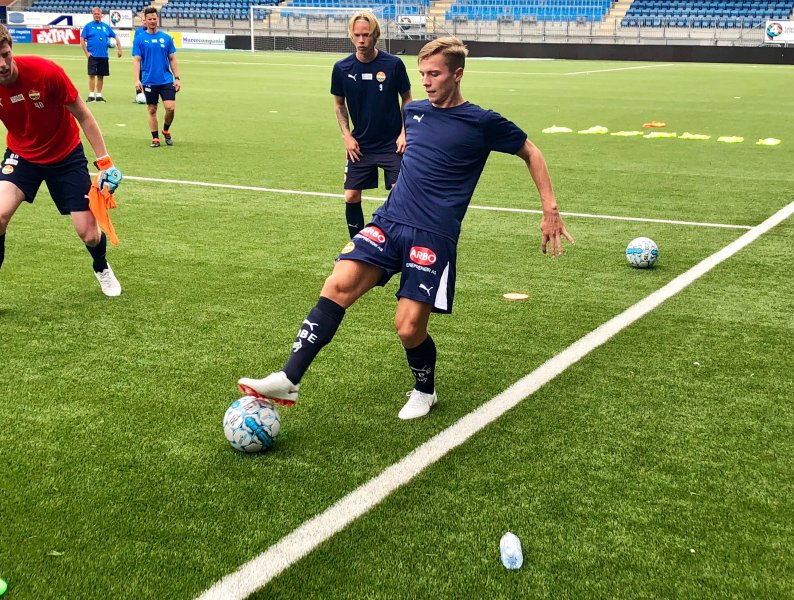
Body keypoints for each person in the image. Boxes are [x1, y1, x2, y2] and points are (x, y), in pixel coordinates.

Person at [238, 36, 574, 420]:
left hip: (433, 234)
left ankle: (425, 390)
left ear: (457, 74)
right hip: (389, 220)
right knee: (338, 283)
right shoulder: (413, 112)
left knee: (408, 327)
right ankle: (289, 378)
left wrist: (550, 208)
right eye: (423, 74)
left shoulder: (482, 121)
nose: (426, 81)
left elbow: (531, 151)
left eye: (435, 74)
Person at [0, 25, 124, 296]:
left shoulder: (46, 72)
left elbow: (84, 115)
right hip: (22, 156)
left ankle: (101, 265)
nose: (2, 64)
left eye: (5, 54)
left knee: (89, 234)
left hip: (65, 155)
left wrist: (105, 162)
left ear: (11, 49)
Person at [331, 11, 412, 239]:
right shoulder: (342, 68)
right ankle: (357, 246)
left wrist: (404, 132)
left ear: (375, 35)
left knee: (400, 195)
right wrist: (347, 136)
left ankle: (395, 243)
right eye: (357, 35)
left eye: (366, 35)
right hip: (361, 144)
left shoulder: (394, 64)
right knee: (351, 196)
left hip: (392, 144)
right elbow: (339, 105)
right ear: (351, 35)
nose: (361, 40)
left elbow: (407, 98)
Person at [132, 7, 181, 148]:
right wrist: (137, 79)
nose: (152, 21)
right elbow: (137, 60)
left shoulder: (166, 38)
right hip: (149, 80)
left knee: (170, 108)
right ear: (145, 21)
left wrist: (177, 77)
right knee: (152, 109)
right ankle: (155, 138)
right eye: (150, 19)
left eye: (154, 19)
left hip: (166, 79)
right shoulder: (140, 39)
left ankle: (166, 130)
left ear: (157, 19)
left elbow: (172, 58)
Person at [80, 6, 122, 102]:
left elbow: (115, 37)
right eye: (95, 14)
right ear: (92, 15)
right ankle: (91, 95)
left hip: (104, 56)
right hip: (92, 56)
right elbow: (82, 39)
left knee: (101, 76)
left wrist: (120, 49)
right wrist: (87, 53)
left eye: (98, 14)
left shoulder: (106, 27)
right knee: (91, 75)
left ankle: (99, 95)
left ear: (101, 15)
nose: (97, 15)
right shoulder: (88, 26)